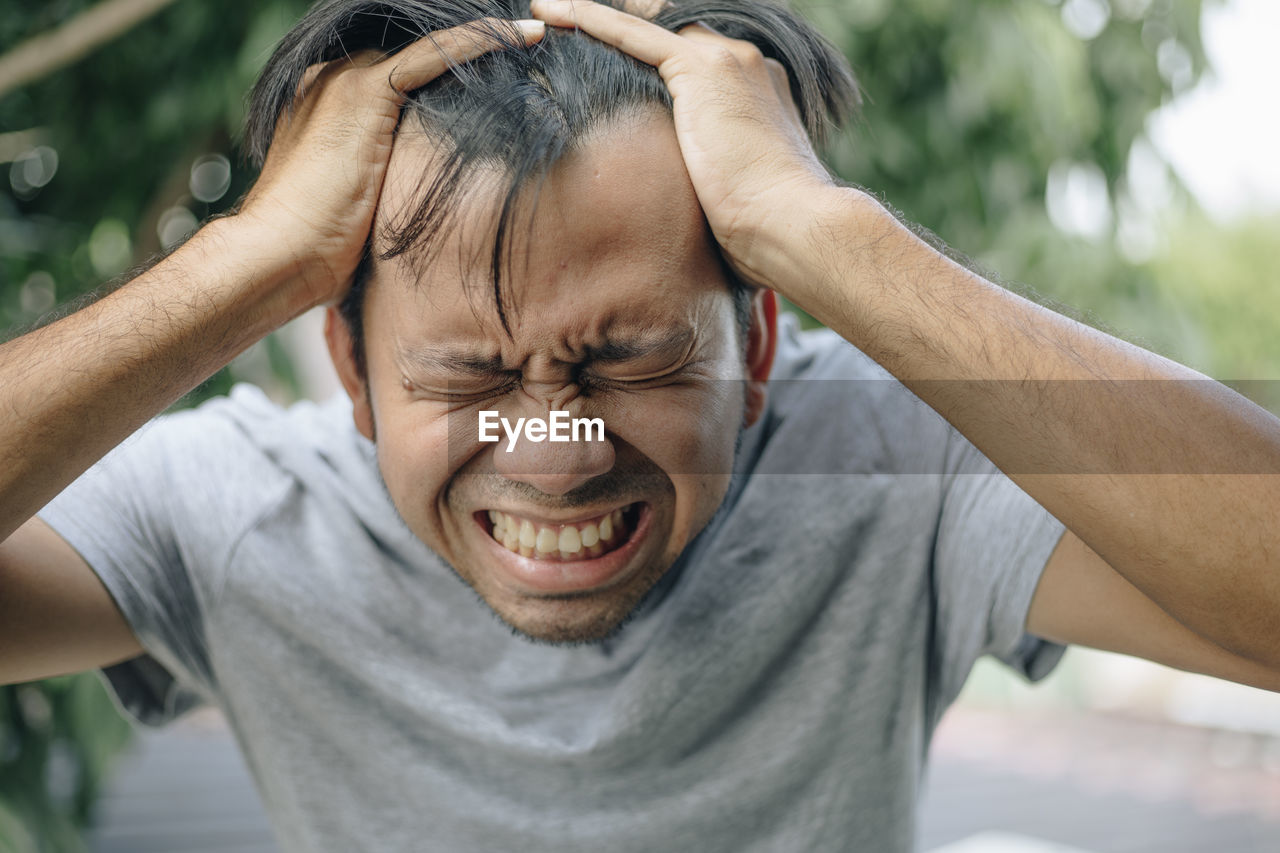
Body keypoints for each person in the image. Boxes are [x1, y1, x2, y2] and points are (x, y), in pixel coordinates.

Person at [1, 0, 1277, 849]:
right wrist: (247, 261)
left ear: (760, 343)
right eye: (463, 377)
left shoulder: (892, 462)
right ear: (348, 364)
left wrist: (832, 235)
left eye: (628, 360)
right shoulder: (230, 508)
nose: (553, 451)